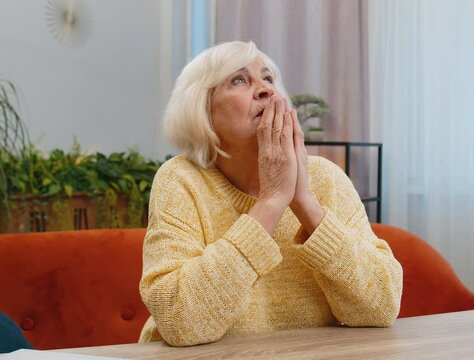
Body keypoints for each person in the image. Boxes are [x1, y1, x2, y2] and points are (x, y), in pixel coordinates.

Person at [138, 41, 403, 347]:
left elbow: (381, 307)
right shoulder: (180, 179)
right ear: (202, 108)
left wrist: (305, 203)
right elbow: (181, 322)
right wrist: (272, 201)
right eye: (239, 80)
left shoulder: (325, 178)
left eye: (268, 79)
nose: (265, 89)